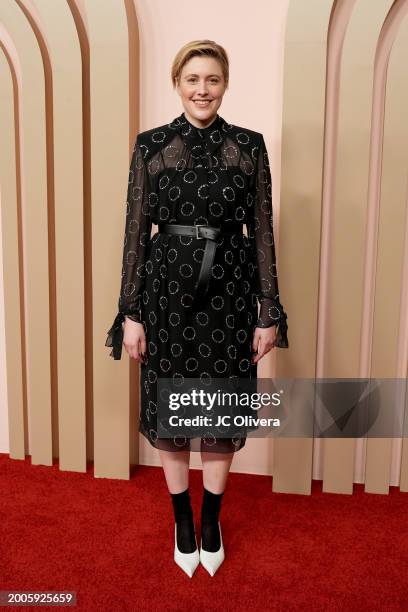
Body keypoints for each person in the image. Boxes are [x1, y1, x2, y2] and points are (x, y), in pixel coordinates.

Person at [105, 39, 289, 577]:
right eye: (192, 80)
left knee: (219, 411)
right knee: (173, 413)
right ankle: (182, 518)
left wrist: (268, 310)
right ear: (177, 84)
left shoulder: (249, 146)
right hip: (166, 299)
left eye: (211, 79)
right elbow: (135, 233)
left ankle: (212, 519)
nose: (201, 90)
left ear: (225, 83)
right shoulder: (151, 145)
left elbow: (263, 234)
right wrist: (131, 312)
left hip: (231, 297)